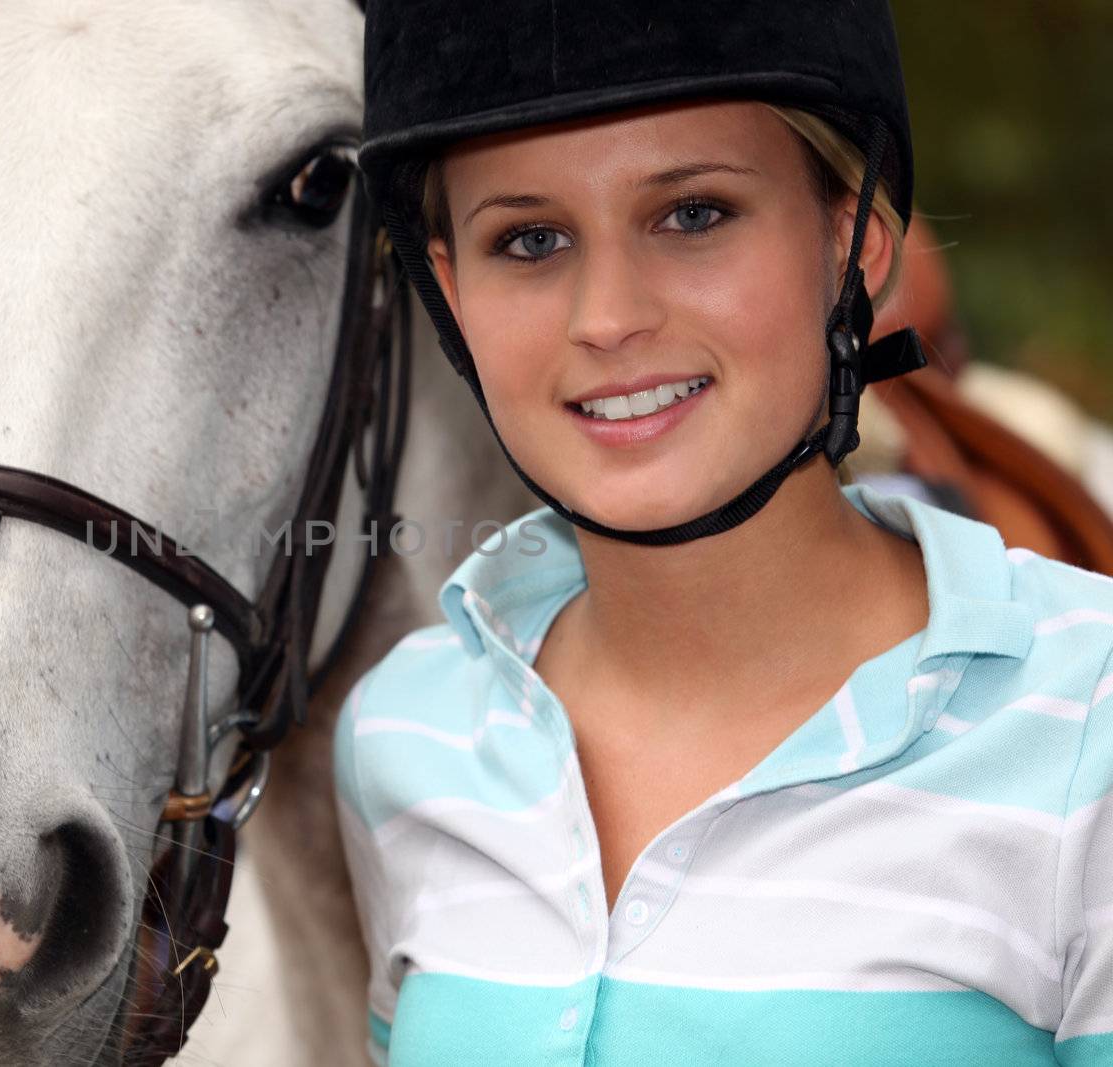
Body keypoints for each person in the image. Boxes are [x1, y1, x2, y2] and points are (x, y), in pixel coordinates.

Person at [333, 2, 1113, 1064]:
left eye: (692, 214)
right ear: (451, 290)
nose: (606, 316)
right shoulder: (402, 732)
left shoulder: (1091, 728)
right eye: (529, 239)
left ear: (852, 243)